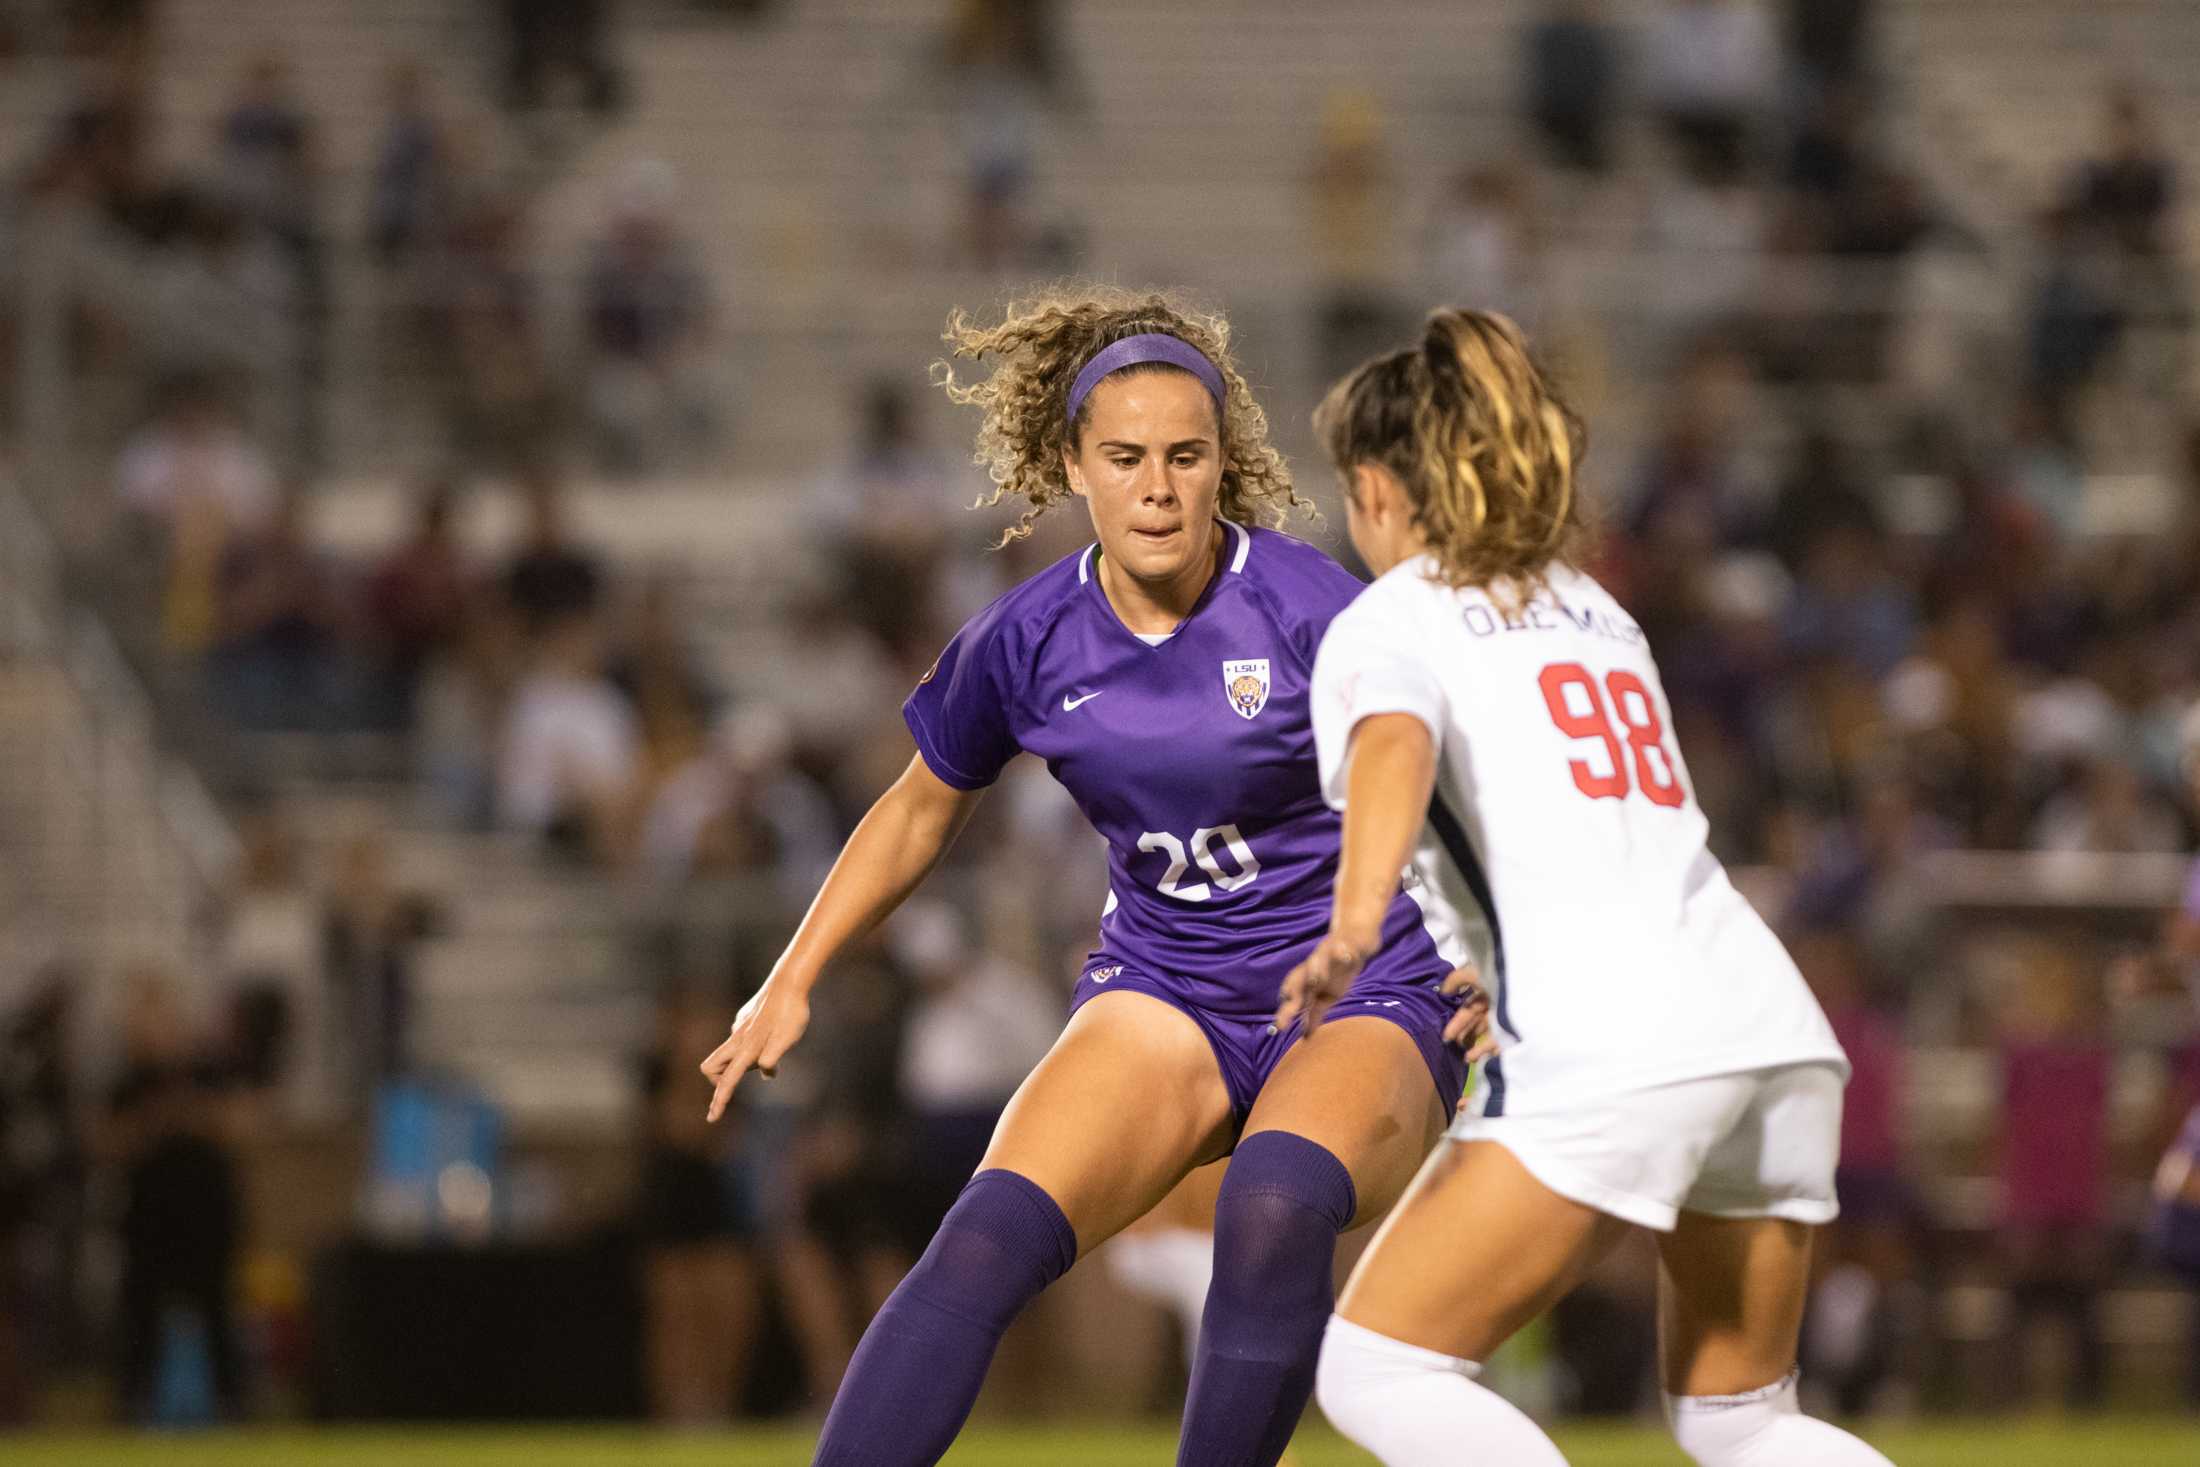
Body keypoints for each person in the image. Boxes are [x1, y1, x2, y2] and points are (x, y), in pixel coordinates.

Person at [699, 287, 1481, 1466]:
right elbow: (918, 810)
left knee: (1271, 1206)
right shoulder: (1024, 638)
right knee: (980, 1242)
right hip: (1166, 986)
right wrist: (791, 976)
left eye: (1185, 456)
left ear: (1226, 463)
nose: (1157, 488)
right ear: (1072, 465)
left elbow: (1455, 783)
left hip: (1360, 986)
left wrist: (1508, 970)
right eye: (1124, 458)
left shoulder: (1310, 606)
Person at [1285, 308, 1891, 1467]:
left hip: (1612, 1035)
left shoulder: (1389, 619)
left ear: (1373, 488)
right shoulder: (1592, 609)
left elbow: (1399, 745)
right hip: (1759, 1018)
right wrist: (1485, 964)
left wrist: (1356, 915)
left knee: (1379, 1365)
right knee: (1742, 1421)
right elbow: (1580, 824)